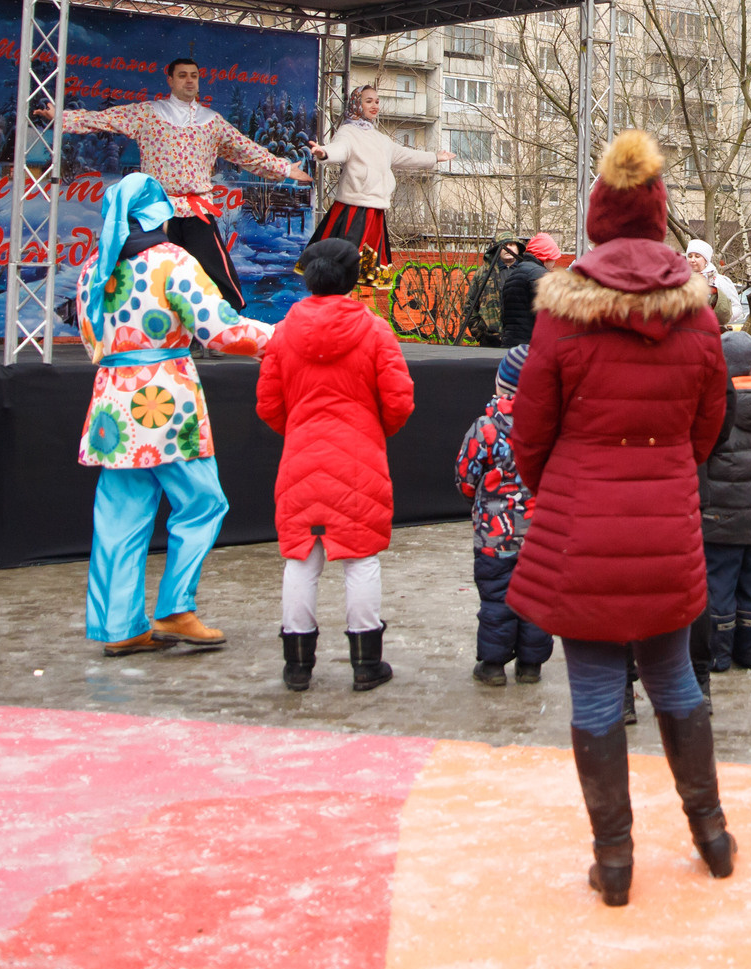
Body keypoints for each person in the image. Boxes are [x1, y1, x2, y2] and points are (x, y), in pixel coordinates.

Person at [507, 129, 731, 908]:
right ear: (660, 219)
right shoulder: (699, 318)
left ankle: (616, 861)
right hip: (665, 520)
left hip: (581, 523)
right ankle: (711, 832)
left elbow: (528, 433)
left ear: (599, 219)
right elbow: (710, 427)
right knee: (675, 675)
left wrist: (564, 482)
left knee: (596, 689)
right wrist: (667, 465)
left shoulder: (561, 314)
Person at [72, 172, 274, 656]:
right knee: (202, 503)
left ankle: (119, 626)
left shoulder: (92, 270)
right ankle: (175, 610)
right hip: (166, 403)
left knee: (120, 515)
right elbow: (220, 330)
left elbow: (90, 340)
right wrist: (282, 338)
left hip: (112, 407)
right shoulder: (171, 262)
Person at [256, 236, 416, 691]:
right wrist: (371, 428)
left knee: (301, 559)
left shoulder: (283, 332)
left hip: (301, 457)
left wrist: (301, 429)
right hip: (359, 458)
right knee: (360, 558)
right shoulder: (374, 329)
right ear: (352, 278)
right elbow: (399, 400)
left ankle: (297, 667)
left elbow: (268, 404)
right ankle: (366, 665)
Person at [44, 58, 309, 309]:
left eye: (194, 76)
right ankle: (157, 328)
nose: (190, 81)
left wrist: (285, 168)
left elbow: (246, 150)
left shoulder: (211, 121)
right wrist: (63, 118)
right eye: (183, 76)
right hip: (158, 211)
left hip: (197, 209)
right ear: (170, 80)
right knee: (155, 272)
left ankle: (219, 323)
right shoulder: (148, 113)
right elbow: (105, 119)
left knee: (213, 269)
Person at [454, 344, 551, 686]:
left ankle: (493, 666)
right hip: (540, 538)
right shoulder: (551, 428)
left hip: (494, 538)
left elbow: (465, 476)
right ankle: (530, 665)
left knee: (497, 599)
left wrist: (476, 500)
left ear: (500, 385)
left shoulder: (485, 428)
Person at [694, 330, 751, 675]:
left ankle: (718, 651)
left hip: (719, 517)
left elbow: (703, 457)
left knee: (719, 583)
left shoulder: (718, 408)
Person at [308, 84, 453, 274]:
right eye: (368, 101)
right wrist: (324, 152)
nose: (374, 105)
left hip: (375, 211)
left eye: (377, 101)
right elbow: (340, 149)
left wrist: (434, 157)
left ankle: (348, 301)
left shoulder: (381, 139)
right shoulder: (348, 132)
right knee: (341, 265)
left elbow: (405, 155)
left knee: (363, 270)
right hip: (354, 209)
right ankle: (338, 300)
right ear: (356, 104)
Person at [500, 232, 559, 347]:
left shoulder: (514, 274)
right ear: (546, 257)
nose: (554, 263)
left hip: (511, 345)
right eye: (554, 259)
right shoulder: (540, 275)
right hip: (531, 346)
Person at [464, 237, 520, 348]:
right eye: (505, 245)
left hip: (519, 339)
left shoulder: (525, 271)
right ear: (497, 249)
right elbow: (470, 304)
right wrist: (479, 331)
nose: (508, 248)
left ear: (518, 248)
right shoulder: (483, 273)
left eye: (512, 244)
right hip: (490, 340)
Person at [687, 239, 741, 329]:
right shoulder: (682, 281)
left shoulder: (720, 281)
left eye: (697, 256)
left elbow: (737, 308)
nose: (692, 260)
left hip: (712, 333)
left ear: (706, 260)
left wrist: (718, 320)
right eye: (689, 256)